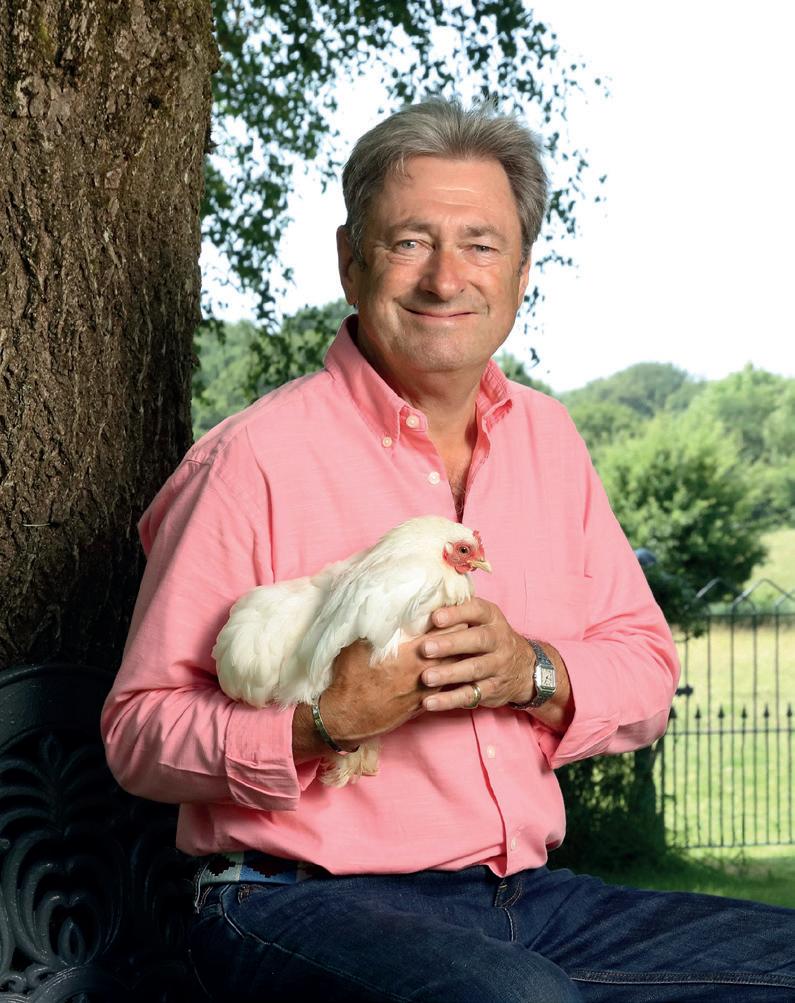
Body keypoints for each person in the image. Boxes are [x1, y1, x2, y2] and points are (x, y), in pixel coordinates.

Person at [101, 98, 795, 1002]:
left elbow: (646, 670)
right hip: (292, 901)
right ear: (350, 260)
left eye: (480, 244)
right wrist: (323, 722)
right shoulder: (250, 461)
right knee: (513, 999)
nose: (444, 278)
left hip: (525, 900)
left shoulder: (549, 441)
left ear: (521, 271)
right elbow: (138, 731)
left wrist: (530, 671)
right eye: (409, 242)